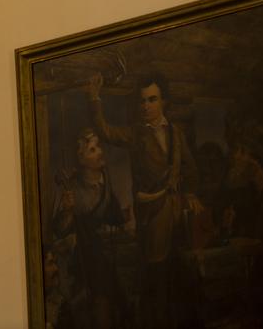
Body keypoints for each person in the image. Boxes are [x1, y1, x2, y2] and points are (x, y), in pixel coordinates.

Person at [87, 72, 202, 328]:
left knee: (182, 275)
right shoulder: (135, 134)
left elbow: (190, 169)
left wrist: (191, 193)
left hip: (177, 215)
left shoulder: (176, 132)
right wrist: (94, 98)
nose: (146, 106)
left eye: (152, 100)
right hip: (152, 216)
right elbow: (104, 131)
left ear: (164, 102)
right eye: (142, 101)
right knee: (156, 279)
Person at [51, 128, 127, 328]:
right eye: (92, 150)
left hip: (106, 257)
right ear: (82, 160)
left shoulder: (105, 181)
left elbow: (114, 214)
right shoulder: (73, 189)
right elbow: (59, 230)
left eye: (99, 146)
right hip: (85, 261)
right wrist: (67, 211)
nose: (100, 152)